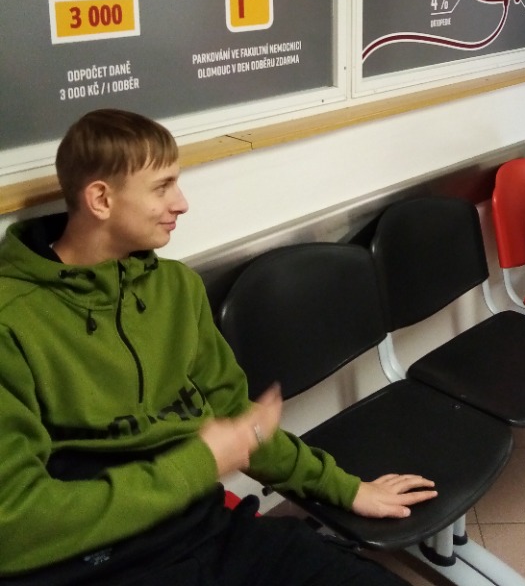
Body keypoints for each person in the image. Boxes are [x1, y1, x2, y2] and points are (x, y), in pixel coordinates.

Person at [0, 108, 437, 584]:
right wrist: (202, 462)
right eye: (162, 187)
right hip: (96, 560)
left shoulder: (175, 287)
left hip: (203, 529)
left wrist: (346, 489)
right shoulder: (12, 320)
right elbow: (14, 526)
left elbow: (237, 420)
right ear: (101, 199)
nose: (182, 203)